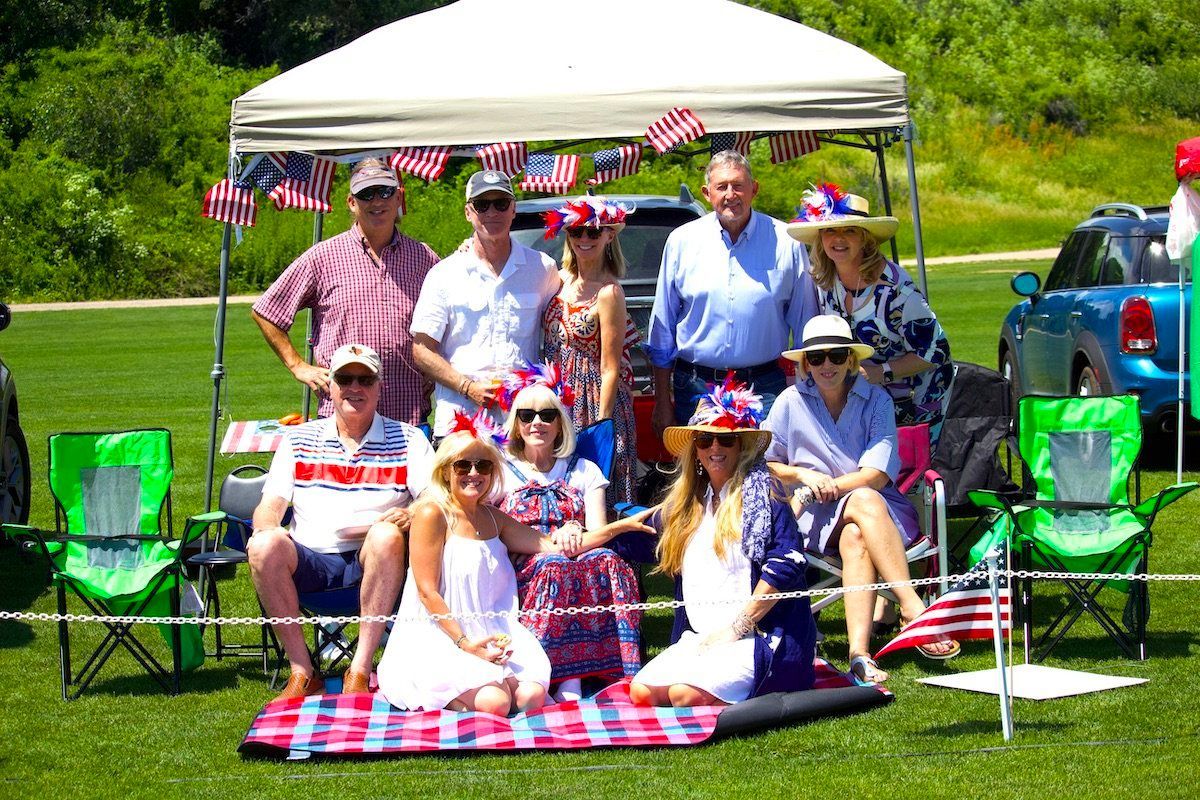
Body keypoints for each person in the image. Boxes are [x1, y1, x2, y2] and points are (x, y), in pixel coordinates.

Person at [375, 410, 651, 714]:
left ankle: (484, 688)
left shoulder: (495, 519)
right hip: (443, 635)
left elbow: (555, 547)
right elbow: (427, 592)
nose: (473, 472)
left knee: (532, 695)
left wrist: (621, 526)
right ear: (445, 472)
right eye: (463, 465)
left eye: (483, 465)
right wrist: (466, 644)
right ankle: (447, 698)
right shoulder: (432, 514)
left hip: (494, 629)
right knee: (497, 702)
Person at [762, 315, 960, 685]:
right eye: (816, 358)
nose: (826, 365)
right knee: (863, 503)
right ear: (805, 363)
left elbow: (878, 473)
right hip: (814, 515)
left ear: (851, 360)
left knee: (859, 523)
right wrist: (804, 475)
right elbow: (766, 462)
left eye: (836, 356)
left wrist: (835, 487)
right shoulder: (789, 402)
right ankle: (913, 605)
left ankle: (858, 655)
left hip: (877, 512)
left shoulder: (878, 400)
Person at [248, 343, 433, 700]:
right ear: (330, 386)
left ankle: (360, 670)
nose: (355, 388)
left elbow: (433, 497)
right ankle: (302, 670)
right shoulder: (298, 439)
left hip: (376, 561)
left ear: (380, 387)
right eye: (345, 378)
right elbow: (270, 505)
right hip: (310, 561)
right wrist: (266, 527)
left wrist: (410, 513)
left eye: (365, 379)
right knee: (264, 543)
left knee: (384, 535)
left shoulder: (409, 438)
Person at [618, 379, 816, 707]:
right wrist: (589, 533)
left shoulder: (767, 494)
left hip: (755, 638)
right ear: (695, 449)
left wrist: (738, 627)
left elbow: (788, 560)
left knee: (682, 696)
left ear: (740, 445)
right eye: (705, 440)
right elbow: (635, 539)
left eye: (725, 439)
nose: (715, 449)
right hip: (699, 638)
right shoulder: (686, 505)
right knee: (641, 693)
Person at [251, 158, 440, 426]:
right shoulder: (323, 257)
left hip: (407, 415)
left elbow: (453, 317)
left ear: (399, 197)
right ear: (352, 202)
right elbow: (267, 311)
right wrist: (297, 366)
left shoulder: (424, 258)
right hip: (342, 420)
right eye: (366, 194)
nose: (377, 201)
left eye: (385, 191)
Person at [646, 150, 818, 437]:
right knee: (701, 474)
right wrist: (662, 401)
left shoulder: (787, 241)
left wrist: (810, 393)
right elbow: (662, 328)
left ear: (754, 189)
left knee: (767, 471)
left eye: (738, 185)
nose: (730, 194)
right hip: (696, 386)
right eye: (721, 186)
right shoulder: (681, 242)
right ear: (706, 192)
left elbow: (805, 324)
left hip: (764, 387)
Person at [495, 371, 642, 701]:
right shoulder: (500, 470)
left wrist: (575, 529)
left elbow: (598, 529)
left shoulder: (583, 469)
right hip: (520, 561)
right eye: (527, 415)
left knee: (609, 561)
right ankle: (552, 674)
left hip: (580, 552)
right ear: (516, 424)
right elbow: (485, 522)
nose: (537, 423)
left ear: (560, 423)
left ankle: (587, 674)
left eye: (547, 415)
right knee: (553, 566)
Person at [786, 182, 953, 446]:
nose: (838, 239)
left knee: (908, 479)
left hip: (918, 400)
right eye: (830, 230)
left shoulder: (896, 288)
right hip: (866, 401)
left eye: (849, 231)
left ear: (865, 238)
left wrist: (882, 371)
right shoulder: (826, 284)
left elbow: (935, 351)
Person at [410, 169, 560, 438]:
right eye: (482, 204)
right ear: (468, 212)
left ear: (513, 209)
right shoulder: (444, 275)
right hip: (461, 421)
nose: (492, 212)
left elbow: (562, 327)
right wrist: (467, 387)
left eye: (501, 203)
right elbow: (422, 350)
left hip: (523, 423)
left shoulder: (542, 268)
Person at [540, 197, 641, 505]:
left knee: (595, 478)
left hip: (594, 398)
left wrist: (601, 424)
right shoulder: (558, 279)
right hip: (557, 394)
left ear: (609, 235)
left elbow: (610, 367)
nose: (584, 238)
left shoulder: (609, 293)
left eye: (594, 232)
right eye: (576, 231)